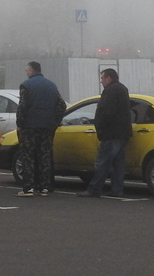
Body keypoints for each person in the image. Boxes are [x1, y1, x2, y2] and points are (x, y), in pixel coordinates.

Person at [15, 61, 66, 197]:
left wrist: (19, 123)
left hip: (29, 127)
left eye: (27, 71)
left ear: (31, 71)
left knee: (28, 157)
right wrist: (55, 121)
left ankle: (28, 188)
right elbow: (61, 105)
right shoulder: (52, 85)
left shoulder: (26, 85)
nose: (26, 74)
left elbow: (23, 106)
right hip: (47, 127)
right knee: (45, 156)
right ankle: (45, 187)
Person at [78, 68, 131, 198]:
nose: (101, 81)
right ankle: (117, 189)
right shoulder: (122, 89)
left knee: (102, 162)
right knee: (118, 163)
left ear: (109, 78)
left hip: (110, 133)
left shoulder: (111, 91)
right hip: (122, 133)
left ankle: (94, 189)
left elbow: (108, 112)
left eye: (102, 78)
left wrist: (100, 125)